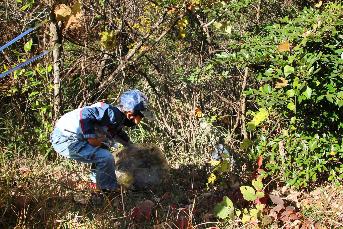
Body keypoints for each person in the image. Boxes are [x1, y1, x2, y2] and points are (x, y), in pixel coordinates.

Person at [50, 89, 150, 193]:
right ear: (130, 114)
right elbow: (85, 113)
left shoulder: (117, 118)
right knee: (105, 157)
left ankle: (97, 183)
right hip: (64, 139)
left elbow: (118, 134)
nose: (141, 119)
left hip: (69, 137)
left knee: (103, 147)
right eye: (141, 116)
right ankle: (108, 191)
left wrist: (132, 147)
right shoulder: (110, 113)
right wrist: (90, 137)